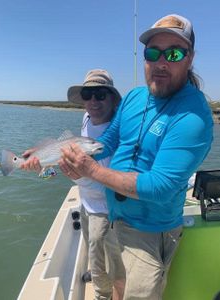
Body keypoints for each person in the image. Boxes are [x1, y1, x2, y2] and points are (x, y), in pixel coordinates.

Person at [58, 14, 214, 300]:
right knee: (118, 283)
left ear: (190, 59)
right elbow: (109, 141)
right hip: (115, 217)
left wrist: (91, 171)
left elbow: (160, 186)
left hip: (150, 233)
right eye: (153, 52)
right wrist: (76, 158)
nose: (161, 62)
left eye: (174, 53)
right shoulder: (133, 98)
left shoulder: (194, 116)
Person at [21, 69, 125, 300]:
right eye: (88, 94)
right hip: (85, 200)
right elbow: (65, 147)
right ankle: (99, 276)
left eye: (101, 94)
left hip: (105, 209)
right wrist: (39, 157)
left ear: (112, 98)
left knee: (104, 258)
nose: (93, 102)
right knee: (92, 250)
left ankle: (102, 294)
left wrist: (74, 173)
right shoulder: (86, 118)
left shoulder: (118, 132)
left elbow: (109, 180)